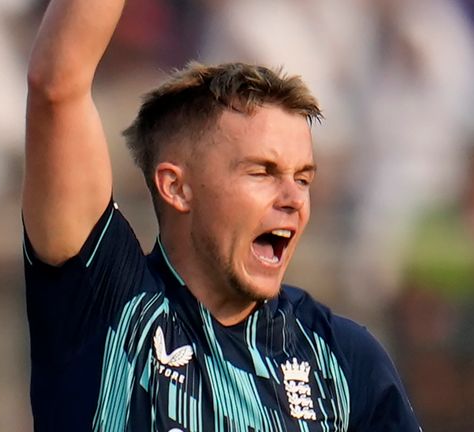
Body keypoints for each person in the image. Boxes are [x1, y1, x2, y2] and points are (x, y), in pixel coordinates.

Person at [22, 0, 421, 430]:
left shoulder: (342, 358)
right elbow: (57, 86)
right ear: (176, 187)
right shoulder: (106, 304)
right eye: (262, 172)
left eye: (303, 178)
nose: (294, 198)